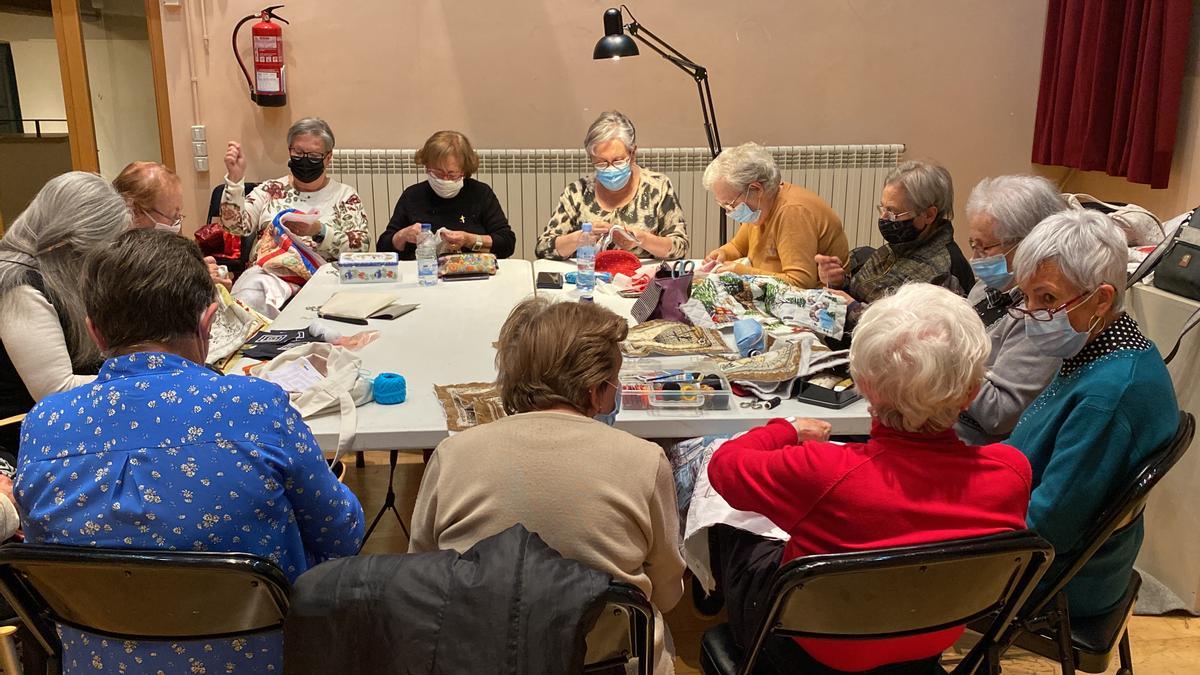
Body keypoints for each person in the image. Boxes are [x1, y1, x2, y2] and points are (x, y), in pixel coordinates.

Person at [16, 229, 364, 674]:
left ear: (94, 332)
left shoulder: (45, 425)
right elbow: (343, 536)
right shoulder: (255, 407)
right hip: (264, 659)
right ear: (208, 322)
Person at [707, 283, 1031, 674]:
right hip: (930, 636)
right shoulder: (1011, 472)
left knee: (734, 528)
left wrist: (789, 428)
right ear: (972, 392)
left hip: (813, 651)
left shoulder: (823, 470)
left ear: (863, 386)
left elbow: (724, 466)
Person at [409, 297, 686, 674]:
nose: (617, 388)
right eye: (614, 380)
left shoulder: (451, 455)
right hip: (607, 661)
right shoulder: (645, 462)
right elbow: (668, 593)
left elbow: (421, 579)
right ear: (594, 389)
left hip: (480, 658)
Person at [1007, 210, 1178, 619]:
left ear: (1102, 297)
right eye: (1025, 296)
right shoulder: (1104, 348)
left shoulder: (1110, 395)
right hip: (1045, 545)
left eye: (1047, 298)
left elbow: (1048, 527)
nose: (1032, 313)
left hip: (1057, 580)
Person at [0, 172, 129, 457]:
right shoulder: (19, 285)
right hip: (25, 441)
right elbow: (56, 391)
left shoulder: (53, 273)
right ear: (72, 244)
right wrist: (144, 376)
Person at [955, 175, 1068, 445]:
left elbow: (998, 414)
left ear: (1029, 243)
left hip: (968, 448)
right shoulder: (985, 289)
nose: (975, 259)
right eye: (973, 245)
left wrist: (943, 356)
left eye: (985, 247)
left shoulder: (1040, 317)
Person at [220, 117, 369, 316]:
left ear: (328, 157)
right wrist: (235, 182)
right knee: (250, 294)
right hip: (269, 279)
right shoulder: (270, 190)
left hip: (324, 282)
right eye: (298, 153)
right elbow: (235, 227)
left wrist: (319, 231)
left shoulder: (344, 196)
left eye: (314, 155)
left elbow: (360, 247)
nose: (305, 160)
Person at [816, 160, 974, 328]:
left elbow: (910, 335)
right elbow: (864, 293)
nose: (884, 218)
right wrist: (838, 283)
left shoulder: (944, 272)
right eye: (882, 209)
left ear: (928, 214)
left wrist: (852, 309)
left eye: (893, 212)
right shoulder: (899, 245)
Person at [536, 110, 689, 260]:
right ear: (591, 159)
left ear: (633, 153)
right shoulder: (577, 193)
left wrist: (642, 239)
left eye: (618, 161)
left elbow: (680, 246)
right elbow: (543, 248)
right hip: (589, 279)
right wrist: (580, 238)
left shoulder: (657, 188)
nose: (611, 169)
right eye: (601, 163)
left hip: (640, 280)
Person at [702, 142, 849, 288]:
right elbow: (738, 247)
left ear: (756, 189)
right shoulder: (759, 208)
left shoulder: (792, 212)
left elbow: (800, 283)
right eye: (723, 205)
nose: (729, 211)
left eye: (731, 203)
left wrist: (743, 273)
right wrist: (723, 253)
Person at [376, 130, 516, 259]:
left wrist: (469, 239)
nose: (444, 179)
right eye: (437, 172)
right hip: (425, 275)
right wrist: (402, 236)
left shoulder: (480, 193)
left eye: (451, 174)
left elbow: (507, 243)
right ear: (426, 166)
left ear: (464, 170)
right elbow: (382, 249)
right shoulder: (412, 196)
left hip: (470, 275)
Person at [113, 160, 231, 289]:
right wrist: (198, 280)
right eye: (172, 216)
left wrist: (196, 269)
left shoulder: (154, 247)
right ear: (135, 211)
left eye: (179, 215)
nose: (177, 224)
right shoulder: (117, 261)